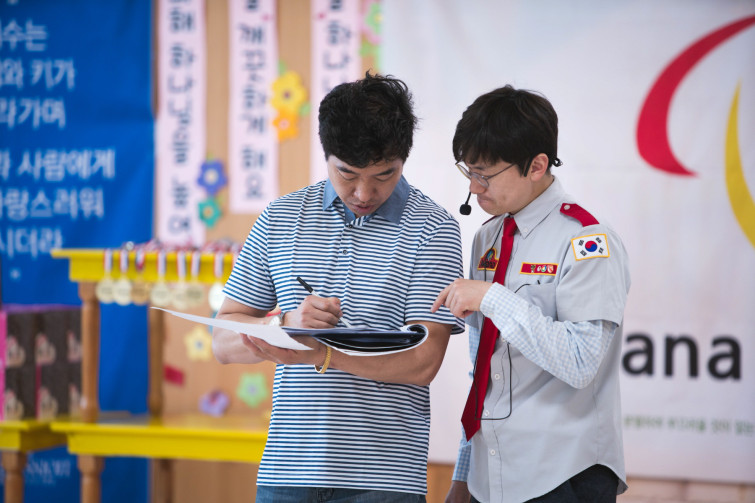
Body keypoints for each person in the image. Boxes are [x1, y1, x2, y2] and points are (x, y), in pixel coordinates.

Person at [212, 72, 464, 503]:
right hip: (287, 473)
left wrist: (322, 354)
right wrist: (284, 325)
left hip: (383, 482)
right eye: (346, 174)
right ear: (326, 155)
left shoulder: (433, 228)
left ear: (404, 159)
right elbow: (222, 341)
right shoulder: (280, 217)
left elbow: (423, 362)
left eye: (384, 175)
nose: (364, 192)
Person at [432, 85, 631, 503]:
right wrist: (464, 473)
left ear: (537, 165)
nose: (474, 187)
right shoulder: (487, 238)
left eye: (485, 174)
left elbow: (581, 363)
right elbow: (482, 372)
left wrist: (492, 298)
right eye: (469, 172)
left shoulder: (587, 240)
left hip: (565, 473)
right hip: (490, 474)